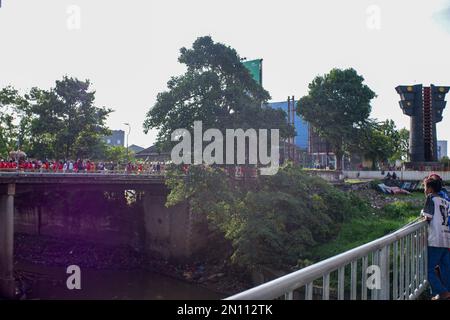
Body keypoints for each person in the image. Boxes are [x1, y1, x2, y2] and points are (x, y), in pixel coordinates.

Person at [421, 177, 450, 300]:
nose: (424, 190)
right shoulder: (446, 201)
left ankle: (442, 292)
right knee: (446, 268)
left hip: (435, 239)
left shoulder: (431, 198)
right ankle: (447, 291)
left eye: (425, 187)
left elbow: (428, 217)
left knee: (427, 269)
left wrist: (423, 214)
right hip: (447, 239)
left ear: (430, 188)